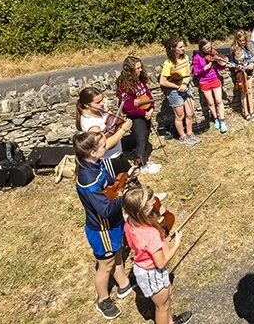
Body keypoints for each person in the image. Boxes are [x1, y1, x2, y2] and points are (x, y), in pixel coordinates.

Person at [73, 131, 135, 320]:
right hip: (102, 229)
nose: (106, 147)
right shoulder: (87, 179)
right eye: (102, 146)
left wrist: (124, 180)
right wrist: (124, 196)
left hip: (113, 224)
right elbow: (105, 210)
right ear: (92, 152)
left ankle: (123, 284)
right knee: (105, 264)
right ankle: (103, 299)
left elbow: (109, 187)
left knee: (116, 252)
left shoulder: (96, 164)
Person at [122, 186, 193, 324]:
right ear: (143, 211)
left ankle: (170, 321)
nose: (154, 203)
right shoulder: (151, 234)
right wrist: (176, 245)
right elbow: (161, 262)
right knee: (162, 306)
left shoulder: (129, 223)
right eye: (151, 203)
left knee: (166, 299)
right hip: (152, 272)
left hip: (143, 267)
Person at [117, 56, 161, 175]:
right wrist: (143, 113)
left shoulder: (140, 80)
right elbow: (127, 106)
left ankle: (145, 160)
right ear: (130, 70)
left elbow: (148, 95)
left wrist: (151, 108)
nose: (140, 70)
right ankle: (141, 164)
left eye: (140, 67)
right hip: (136, 116)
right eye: (137, 68)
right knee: (141, 139)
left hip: (145, 113)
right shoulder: (125, 85)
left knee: (146, 136)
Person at [76, 87, 134, 175]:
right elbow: (104, 145)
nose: (102, 103)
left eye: (102, 100)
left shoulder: (98, 110)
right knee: (120, 186)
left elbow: (115, 122)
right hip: (109, 160)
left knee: (132, 181)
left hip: (117, 154)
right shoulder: (90, 123)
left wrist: (107, 110)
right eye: (98, 102)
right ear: (87, 105)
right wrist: (123, 130)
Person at [159, 35, 199, 146]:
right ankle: (183, 137)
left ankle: (190, 134)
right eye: (180, 47)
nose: (183, 49)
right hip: (174, 92)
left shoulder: (185, 57)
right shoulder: (168, 63)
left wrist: (185, 83)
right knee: (180, 116)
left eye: (183, 46)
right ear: (173, 48)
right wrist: (177, 87)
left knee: (190, 113)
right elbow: (162, 81)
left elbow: (187, 73)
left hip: (186, 87)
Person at [193, 39, 229, 134]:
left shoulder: (213, 54)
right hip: (204, 82)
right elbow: (196, 72)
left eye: (210, 47)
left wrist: (223, 63)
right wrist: (205, 68)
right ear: (201, 49)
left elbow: (219, 67)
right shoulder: (197, 57)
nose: (210, 49)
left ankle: (222, 121)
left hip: (215, 79)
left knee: (219, 100)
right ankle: (216, 119)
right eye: (207, 48)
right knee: (211, 103)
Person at [230, 30, 254, 121]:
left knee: (249, 91)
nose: (242, 42)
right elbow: (231, 62)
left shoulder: (249, 46)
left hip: (249, 71)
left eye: (244, 40)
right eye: (240, 41)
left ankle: (252, 111)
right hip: (241, 72)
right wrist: (236, 66)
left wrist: (252, 64)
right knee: (244, 92)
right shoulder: (233, 48)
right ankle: (245, 112)